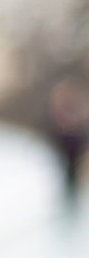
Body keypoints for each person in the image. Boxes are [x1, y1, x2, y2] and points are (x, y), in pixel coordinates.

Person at [50, 78, 89, 206]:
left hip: (74, 141)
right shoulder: (62, 104)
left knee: (73, 170)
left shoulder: (77, 105)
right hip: (66, 141)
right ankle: (67, 196)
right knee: (66, 170)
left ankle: (72, 197)